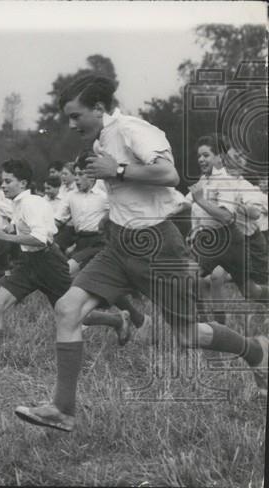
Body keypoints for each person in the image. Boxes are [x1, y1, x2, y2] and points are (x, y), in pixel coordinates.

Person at [14, 74, 268, 432]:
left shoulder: (134, 129)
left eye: (76, 116)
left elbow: (169, 173)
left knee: (188, 335)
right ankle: (62, 409)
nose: (71, 125)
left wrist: (115, 169)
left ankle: (256, 350)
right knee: (67, 308)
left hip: (158, 245)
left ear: (99, 108)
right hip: (118, 245)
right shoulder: (103, 138)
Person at [0, 160, 131, 380]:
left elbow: (40, 240)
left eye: (8, 181)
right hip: (27, 263)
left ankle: (118, 319)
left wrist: (7, 237)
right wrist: (9, 229)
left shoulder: (31, 203)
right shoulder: (17, 202)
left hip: (49, 263)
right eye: (2, 181)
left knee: (75, 315)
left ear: (22, 182)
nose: (2, 186)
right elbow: (29, 229)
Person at [187, 134, 269, 313]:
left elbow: (253, 213)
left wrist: (240, 206)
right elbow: (191, 204)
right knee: (203, 278)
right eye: (232, 156)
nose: (201, 159)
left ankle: (212, 327)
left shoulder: (241, 185)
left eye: (206, 155)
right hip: (222, 239)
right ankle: (212, 325)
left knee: (251, 291)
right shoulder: (207, 180)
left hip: (249, 240)